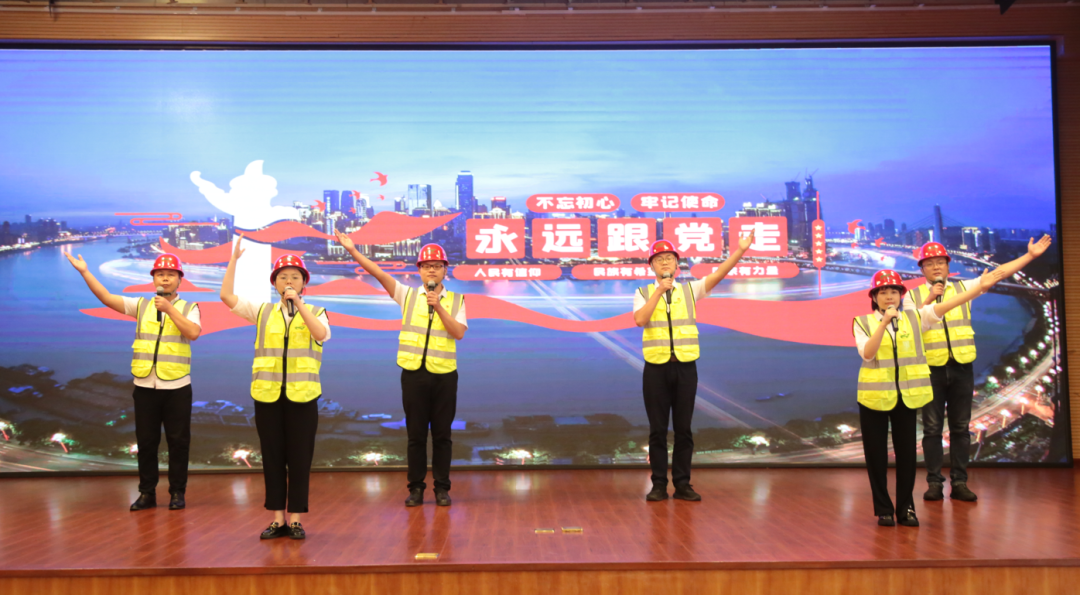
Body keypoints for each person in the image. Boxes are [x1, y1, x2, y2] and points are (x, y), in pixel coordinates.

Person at [904, 236, 1052, 502]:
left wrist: (1029, 256)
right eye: (930, 263)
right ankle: (934, 483)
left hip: (961, 368)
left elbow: (998, 274)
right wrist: (930, 296)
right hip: (930, 371)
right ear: (922, 269)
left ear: (948, 266)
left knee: (961, 428)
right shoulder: (911, 297)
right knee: (932, 429)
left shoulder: (964, 287)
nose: (936, 267)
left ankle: (959, 482)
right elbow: (916, 325)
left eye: (940, 262)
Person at [854, 268, 1003, 527]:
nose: (889, 297)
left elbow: (947, 305)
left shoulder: (916, 317)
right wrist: (884, 323)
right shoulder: (862, 322)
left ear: (901, 295)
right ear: (874, 297)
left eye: (894, 292)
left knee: (907, 457)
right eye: (883, 292)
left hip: (907, 396)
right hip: (874, 397)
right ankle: (884, 509)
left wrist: (980, 287)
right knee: (876, 456)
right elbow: (868, 353)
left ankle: (906, 508)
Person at [335, 231, 466, 508]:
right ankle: (416, 488)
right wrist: (353, 250)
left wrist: (439, 307)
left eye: (437, 266)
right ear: (419, 270)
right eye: (427, 266)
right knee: (415, 436)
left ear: (445, 270)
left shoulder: (456, 300)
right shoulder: (407, 295)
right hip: (414, 375)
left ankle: (442, 489)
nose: (432, 270)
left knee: (442, 436)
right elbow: (378, 273)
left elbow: (458, 333)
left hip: (444, 376)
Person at [65, 251, 201, 511]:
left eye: (170, 275)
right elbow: (106, 298)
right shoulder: (141, 306)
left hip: (177, 387)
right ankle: (147, 493)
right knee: (146, 442)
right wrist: (84, 271)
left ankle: (177, 493)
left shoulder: (189, 308)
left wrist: (170, 309)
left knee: (178, 443)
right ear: (153, 279)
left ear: (180, 280)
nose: (165, 279)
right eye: (160, 274)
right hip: (145, 386)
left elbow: (193, 332)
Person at [220, 237, 329, 540]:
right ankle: (277, 519)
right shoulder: (262, 311)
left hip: (302, 396)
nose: (289, 281)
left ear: (304, 283)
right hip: (267, 395)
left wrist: (299, 305)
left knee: (300, 458)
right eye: (283, 277)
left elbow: (321, 334)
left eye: (295, 277)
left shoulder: (317, 311)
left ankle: (296, 519)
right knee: (272, 458)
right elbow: (226, 296)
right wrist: (234, 260)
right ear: (274, 283)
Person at [633, 232, 753, 502]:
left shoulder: (690, 290)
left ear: (677, 264)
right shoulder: (642, 293)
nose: (665, 262)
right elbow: (640, 320)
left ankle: (683, 484)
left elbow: (719, 274)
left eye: (669, 258)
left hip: (685, 367)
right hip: (655, 368)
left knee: (684, 429)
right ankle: (659, 485)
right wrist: (660, 291)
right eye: (659, 259)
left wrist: (740, 250)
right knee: (657, 430)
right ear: (651, 266)